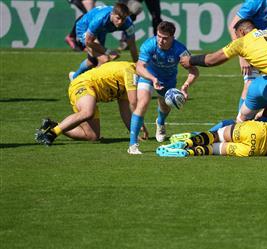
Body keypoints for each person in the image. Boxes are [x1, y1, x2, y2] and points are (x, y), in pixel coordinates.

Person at [181, 19, 267, 118]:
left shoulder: (241, 42)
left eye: (236, 35)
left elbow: (212, 60)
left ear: (241, 32)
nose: (236, 38)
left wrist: (190, 60)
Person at [34, 61, 148, 145]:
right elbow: (133, 103)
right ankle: (51, 134)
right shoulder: (130, 72)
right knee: (88, 112)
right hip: (83, 84)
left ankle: (52, 125)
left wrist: (135, 134)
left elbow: (126, 112)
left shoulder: (133, 80)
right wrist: (140, 124)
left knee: (92, 136)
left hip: (91, 92)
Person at [128, 21, 199, 155]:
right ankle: (132, 145)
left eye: (165, 38)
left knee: (165, 106)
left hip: (168, 80)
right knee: (142, 103)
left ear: (172, 37)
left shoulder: (180, 50)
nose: (161, 40)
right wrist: (153, 79)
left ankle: (160, 122)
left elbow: (194, 71)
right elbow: (139, 67)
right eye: (159, 36)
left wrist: (185, 87)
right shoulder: (149, 45)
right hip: (148, 76)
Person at [157, 106, 267, 158]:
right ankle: (188, 153)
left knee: (216, 135)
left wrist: (260, 114)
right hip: (254, 150)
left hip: (254, 130)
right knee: (212, 149)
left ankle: (186, 143)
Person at [70, 3, 138, 80]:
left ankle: (75, 77)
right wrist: (108, 51)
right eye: (118, 18)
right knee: (104, 59)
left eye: (123, 19)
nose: (120, 22)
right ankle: (92, 82)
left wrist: (137, 65)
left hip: (100, 31)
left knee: (92, 62)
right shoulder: (100, 19)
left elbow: (132, 45)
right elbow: (88, 42)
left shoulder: (128, 23)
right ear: (112, 14)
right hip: (84, 28)